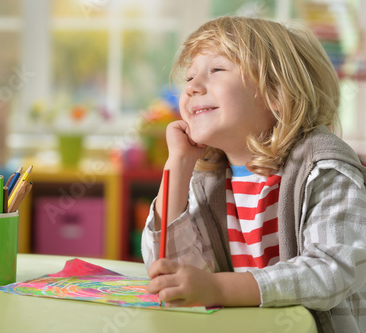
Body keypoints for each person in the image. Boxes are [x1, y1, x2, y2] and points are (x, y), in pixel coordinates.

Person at [141, 16, 366, 333]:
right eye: (189, 77)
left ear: (276, 93)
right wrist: (177, 166)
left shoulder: (325, 166)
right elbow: (171, 272)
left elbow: (331, 271)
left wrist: (220, 289)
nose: (191, 87)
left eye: (216, 70)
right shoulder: (208, 179)